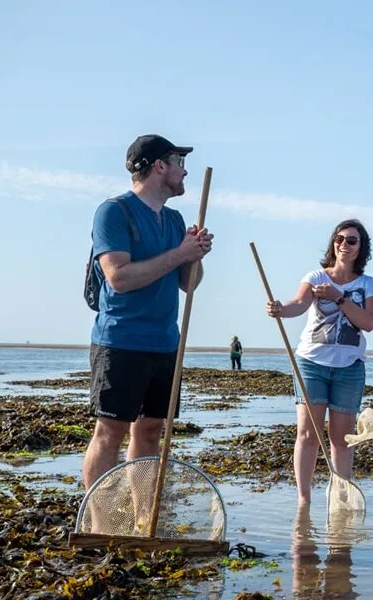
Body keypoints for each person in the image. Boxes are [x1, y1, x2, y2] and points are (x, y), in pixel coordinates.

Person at [82, 134, 213, 490]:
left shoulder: (173, 220)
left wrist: (194, 254)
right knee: (110, 432)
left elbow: (188, 284)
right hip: (121, 340)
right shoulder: (114, 211)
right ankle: (98, 520)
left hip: (166, 343)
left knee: (152, 430)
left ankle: (141, 521)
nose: (185, 172)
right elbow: (119, 277)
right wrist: (180, 254)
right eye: (179, 163)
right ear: (159, 166)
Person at [265, 219, 373, 504]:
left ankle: (341, 496)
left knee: (341, 439)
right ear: (333, 243)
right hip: (311, 363)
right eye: (340, 238)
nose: (344, 244)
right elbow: (299, 304)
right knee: (307, 435)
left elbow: (368, 322)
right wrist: (281, 309)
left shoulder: (368, 284)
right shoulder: (316, 276)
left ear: (360, 248)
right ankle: (304, 500)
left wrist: (339, 297)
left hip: (349, 367)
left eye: (352, 240)